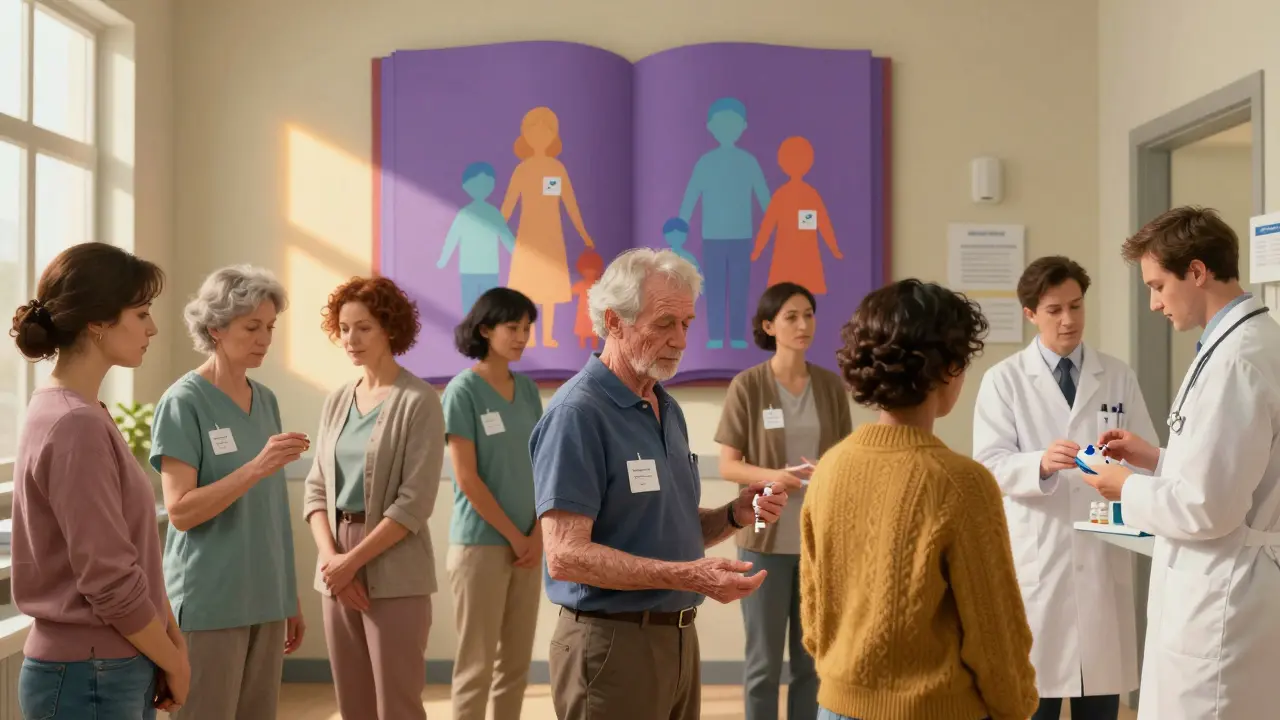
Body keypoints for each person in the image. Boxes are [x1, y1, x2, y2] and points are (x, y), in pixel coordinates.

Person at [530, 248, 789, 720]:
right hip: (610, 646)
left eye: (687, 324)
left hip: (677, 640)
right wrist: (689, 575)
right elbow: (565, 555)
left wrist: (733, 514)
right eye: (665, 323)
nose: (680, 340)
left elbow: (666, 526)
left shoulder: (665, 407)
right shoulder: (577, 414)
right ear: (614, 321)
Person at [801, 278, 1038, 720]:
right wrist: (1017, 706)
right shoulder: (962, 483)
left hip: (836, 705)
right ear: (948, 369)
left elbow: (815, 624)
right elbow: (994, 636)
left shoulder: (829, 469)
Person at [1085, 206, 1280, 720]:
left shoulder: (1237, 360)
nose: (1153, 303)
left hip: (1224, 595)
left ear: (1197, 272)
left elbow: (1206, 507)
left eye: (1157, 286)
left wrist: (1123, 484)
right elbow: (1236, 464)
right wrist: (1156, 458)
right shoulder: (1243, 344)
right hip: (1224, 584)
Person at [972, 256, 1157, 720]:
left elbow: (1150, 458)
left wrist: (1128, 461)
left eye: (1076, 306)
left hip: (1101, 555)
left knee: (1100, 700)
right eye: (1054, 310)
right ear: (1030, 314)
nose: (1068, 320)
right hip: (1040, 560)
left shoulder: (1116, 375)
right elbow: (987, 467)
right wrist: (1039, 463)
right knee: (1036, 700)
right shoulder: (1004, 381)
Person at [10, 243, 188, 718]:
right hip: (91, 671)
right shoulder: (75, 423)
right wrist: (174, 660)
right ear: (98, 321)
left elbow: (131, 552)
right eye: (141, 313)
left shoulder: (73, 409)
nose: (151, 328)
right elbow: (107, 579)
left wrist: (169, 640)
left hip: (105, 663)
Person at [151, 265, 307, 720]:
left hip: (266, 597)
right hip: (210, 600)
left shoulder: (267, 400)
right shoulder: (183, 402)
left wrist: (288, 594)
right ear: (216, 328)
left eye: (270, 327)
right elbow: (180, 512)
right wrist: (255, 466)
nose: (264, 338)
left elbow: (273, 510)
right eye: (252, 327)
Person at [303, 276, 444, 720]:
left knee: (397, 704)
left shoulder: (419, 400)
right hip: (335, 558)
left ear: (389, 329)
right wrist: (332, 561)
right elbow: (316, 488)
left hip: (394, 561)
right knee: (353, 704)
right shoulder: (337, 401)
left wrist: (353, 562)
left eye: (363, 327)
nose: (351, 339)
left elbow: (413, 504)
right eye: (344, 328)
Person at [716, 282, 852, 720]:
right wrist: (772, 476)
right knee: (763, 664)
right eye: (791, 316)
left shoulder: (831, 386)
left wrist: (828, 471)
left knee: (812, 663)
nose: (803, 324)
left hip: (819, 543)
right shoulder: (748, 386)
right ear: (768, 325)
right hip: (764, 543)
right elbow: (729, 465)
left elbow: (845, 457)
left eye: (808, 315)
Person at [442, 287, 544, 720]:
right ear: (485, 329)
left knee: (516, 664)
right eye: (512, 327)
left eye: (526, 328)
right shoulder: (462, 391)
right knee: (476, 664)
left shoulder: (527, 391)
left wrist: (536, 534)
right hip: (481, 545)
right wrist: (514, 537)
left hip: (529, 543)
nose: (522, 336)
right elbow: (466, 477)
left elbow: (543, 466)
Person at [679, 97, 771, 350]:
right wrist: (682, 225)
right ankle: (716, 335)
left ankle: (739, 335)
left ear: (743, 126)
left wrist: (776, 225)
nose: (727, 129)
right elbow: (691, 195)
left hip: (742, 237)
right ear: (710, 127)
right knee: (715, 287)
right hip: (713, 237)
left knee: (740, 287)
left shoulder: (748, 161)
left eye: (733, 123)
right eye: (721, 124)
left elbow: (764, 197)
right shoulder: (706, 162)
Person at [501, 106, 594, 348]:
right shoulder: (522, 169)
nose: (540, 137)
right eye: (534, 131)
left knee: (548, 292)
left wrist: (584, 233)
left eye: (546, 131)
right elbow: (508, 205)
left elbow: (569, 204)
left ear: (554, 136)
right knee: (529, 289)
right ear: (525, 136)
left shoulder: (556, 169)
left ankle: (548, 335)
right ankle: (529, 335)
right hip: (528, 236)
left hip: (551, 235)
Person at [750, 136, 843, 294]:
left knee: (806, 294)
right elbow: (768, 225)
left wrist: (834, 248)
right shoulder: (782, 195)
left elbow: (823, 223)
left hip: (805, 252)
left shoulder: (809, 195)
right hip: (785, 254)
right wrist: (757, 250)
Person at [437, 161, 517, 312]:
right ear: (466, 186)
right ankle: (470, 334)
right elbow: (452, 238)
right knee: (470, 306)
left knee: (490, 308)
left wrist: (519, 255)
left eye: (486, 184)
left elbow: (506, 236)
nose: (481, 188)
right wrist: (443, 259)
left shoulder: (494, 214)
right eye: (476, 184)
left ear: (492, 186)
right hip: (469, 269)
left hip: (489, 269)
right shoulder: (464, 214)